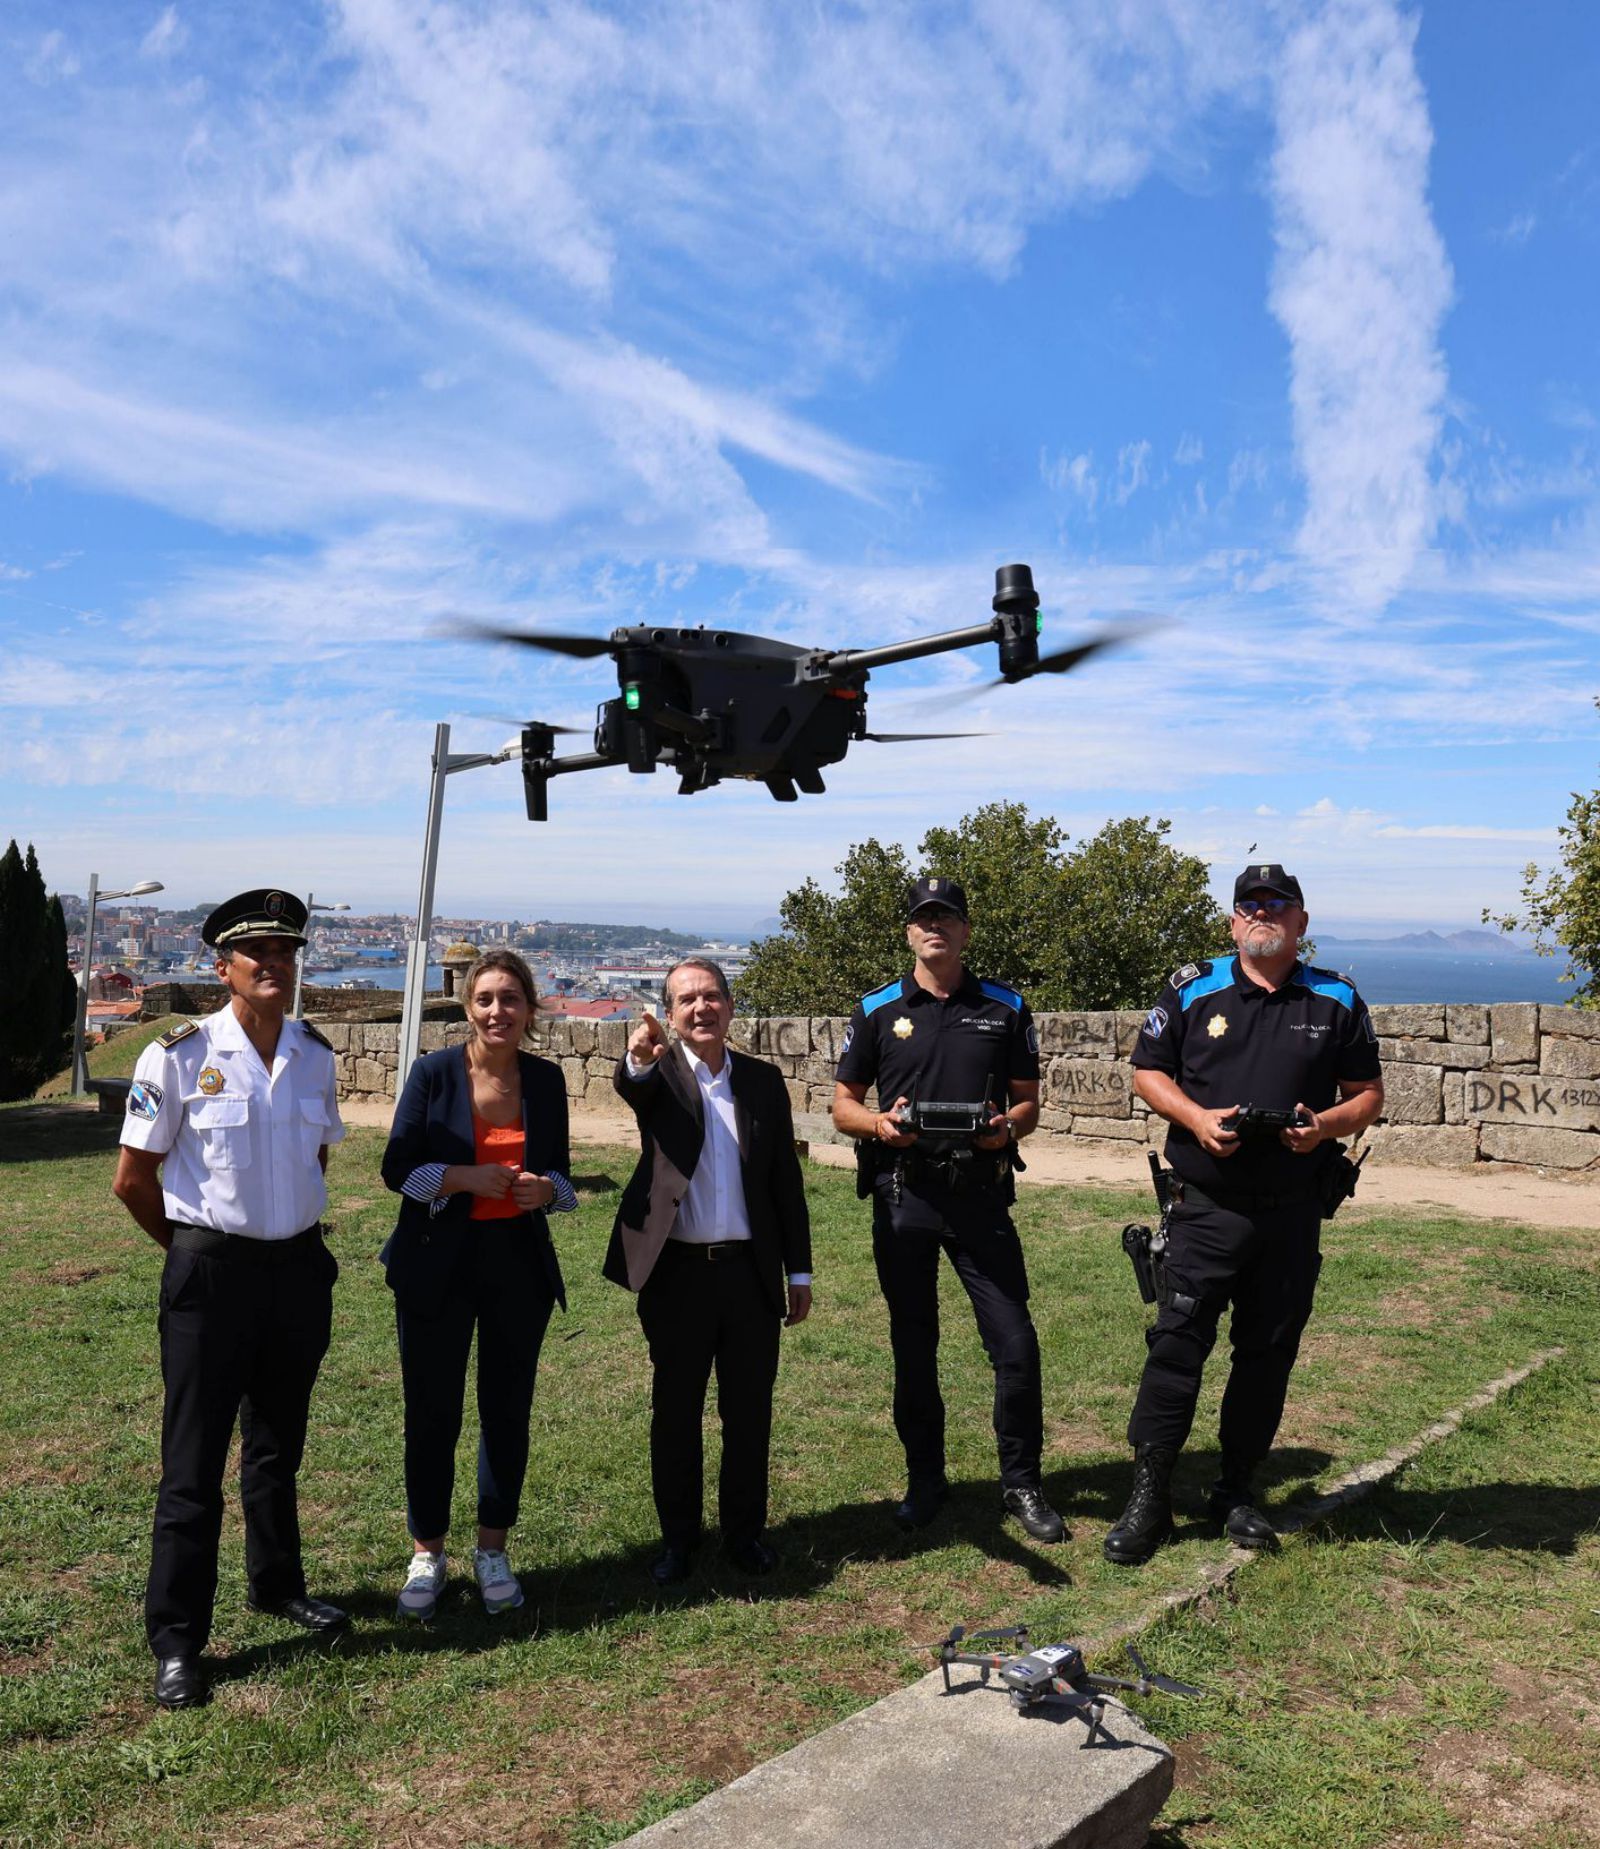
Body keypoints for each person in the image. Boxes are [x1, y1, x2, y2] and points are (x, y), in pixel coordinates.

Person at [1105, 862, 1385, 1566]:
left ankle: (1235, 1489)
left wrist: (1323, 1128)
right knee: (1176, 1347)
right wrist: (1197, 1119)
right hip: (1205, 1208)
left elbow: (1368, 1094)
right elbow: (1147, 1071)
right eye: (1250, 905)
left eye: (1277, 904)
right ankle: (1149, 1498)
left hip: (1291, 1214)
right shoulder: (1192, 988)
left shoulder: (1336, 998)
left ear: (1301, 921)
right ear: (1234, 922)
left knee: (1266, 1357)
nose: (1263, 913)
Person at [112, 889, 349, 1711]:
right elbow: (132, 1179)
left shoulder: (314, 1054)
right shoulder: (178, 1056)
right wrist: (192, 1252)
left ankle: (277, 1584)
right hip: (211, 1278)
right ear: (224, 968)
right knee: (193, 1464)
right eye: (259, 954)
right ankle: (178, 1640)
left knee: (277, 1446)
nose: (276, 964)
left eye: (287, 951)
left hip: (297, 1272)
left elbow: (317, 1158)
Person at [832, 877, 1065, 1544]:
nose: (935, 927)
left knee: (1015, 1344)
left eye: (947, 917)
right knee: (914, 1344)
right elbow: (844, 1105)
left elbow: (1028, 1102)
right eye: (923, 918)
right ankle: (925, 1480)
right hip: (904, 1195)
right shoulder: (877, 1009)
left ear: (965, 929)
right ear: (909, 931)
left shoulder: (1004, 1006)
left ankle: (1022, 1483)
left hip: (979, 1195)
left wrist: (1006, 1129)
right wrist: (880, 1126)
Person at [380, 949, 577, 1620]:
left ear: (529, 1008)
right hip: (435, 1262)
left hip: (517, 1265)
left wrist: (547, 1191)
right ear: (468, 1007)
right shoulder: (433, 1073)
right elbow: (396, 1170)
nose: (498, 1010)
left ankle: (493, 1549)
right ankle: (427, 1552)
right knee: (432, 1411)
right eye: (486, 998)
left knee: (507, 1410)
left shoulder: (546, 1080)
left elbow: (563, 1178)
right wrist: (461, 1178)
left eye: (511, 998)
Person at [606, 956, 812, 1586]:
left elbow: (785, 1181)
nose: (701, 1008)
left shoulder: (763, 1081)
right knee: (676, 1412)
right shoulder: (660, 1074)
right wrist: (638, 1058)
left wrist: (799, 1272)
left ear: (729, 1005)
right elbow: (632, 1085)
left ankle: (744, 1534)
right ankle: (678, 1540)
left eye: (711, 996)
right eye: (686, 1000)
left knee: (749, 1413)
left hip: (749, 1275)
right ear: (670, 1014)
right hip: (679, 1276)